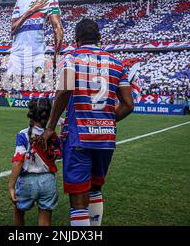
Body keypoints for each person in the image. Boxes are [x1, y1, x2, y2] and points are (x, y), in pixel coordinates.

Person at [40, 19, 134, 226]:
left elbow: (64, 90)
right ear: (99, 38)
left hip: (79, 136)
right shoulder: (116, 63)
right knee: (95, 188)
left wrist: (49, 127)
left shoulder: (71, 58)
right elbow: (128, 104)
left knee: (78, 196)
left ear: (76, 39)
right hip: (106, 138)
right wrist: (107, 121)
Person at [8, 98, 61, 226]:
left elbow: (18, 161)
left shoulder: (23, 134)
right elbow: (59, 155)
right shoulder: (53, 136)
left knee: (19, 214)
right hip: (48, 181)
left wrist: (11, 185)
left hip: (26, 181)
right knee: (45, 218)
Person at [8, 0, 63, 80]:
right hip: (17, 52)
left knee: (38, 85)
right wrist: (31, 10)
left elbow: (58, 28)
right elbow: (13, 29)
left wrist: (57, 55)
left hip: (37, 52)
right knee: (11, 88)